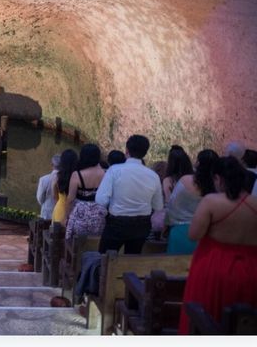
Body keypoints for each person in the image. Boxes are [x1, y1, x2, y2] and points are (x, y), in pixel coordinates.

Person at [178, 156, 257, 334]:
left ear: (218, 178)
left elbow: (193, 234)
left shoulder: (212, 202)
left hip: (214, 267)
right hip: (252, 269)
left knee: (206, 318)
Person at [95, 135, 163, 254]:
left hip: (117, 224)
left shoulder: (114, 170)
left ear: (126, 150)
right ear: (145, 152)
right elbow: (158, 206)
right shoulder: (153, 176)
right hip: (142, 225)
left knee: (104, 260)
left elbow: (101, 200)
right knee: (131, 261)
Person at [165, 149, 218, 254]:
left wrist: (166, 225)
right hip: (208, 232)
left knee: (175, 267)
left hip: (180, 231)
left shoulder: (185, 180)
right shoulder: (218, 185)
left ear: (198, 162)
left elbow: (172, 206)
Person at [65, 144, 107, 240]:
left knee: (75, 242)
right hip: (99, 214)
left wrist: (66, 216)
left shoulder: (77, 175)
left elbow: (70, 199)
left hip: (80, 215)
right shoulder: (105, 173)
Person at [51, 149, 78, 225]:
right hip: (74, 213)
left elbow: (55, 196)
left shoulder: (58, 176)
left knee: (56, 234)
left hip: (60, 210)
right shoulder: (78, 177)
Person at [36, 154, 60, 220]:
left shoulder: (44, 179)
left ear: (52, 164)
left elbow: (40, 198)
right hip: (62, 213)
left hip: (47, 213)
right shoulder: (67, 179)